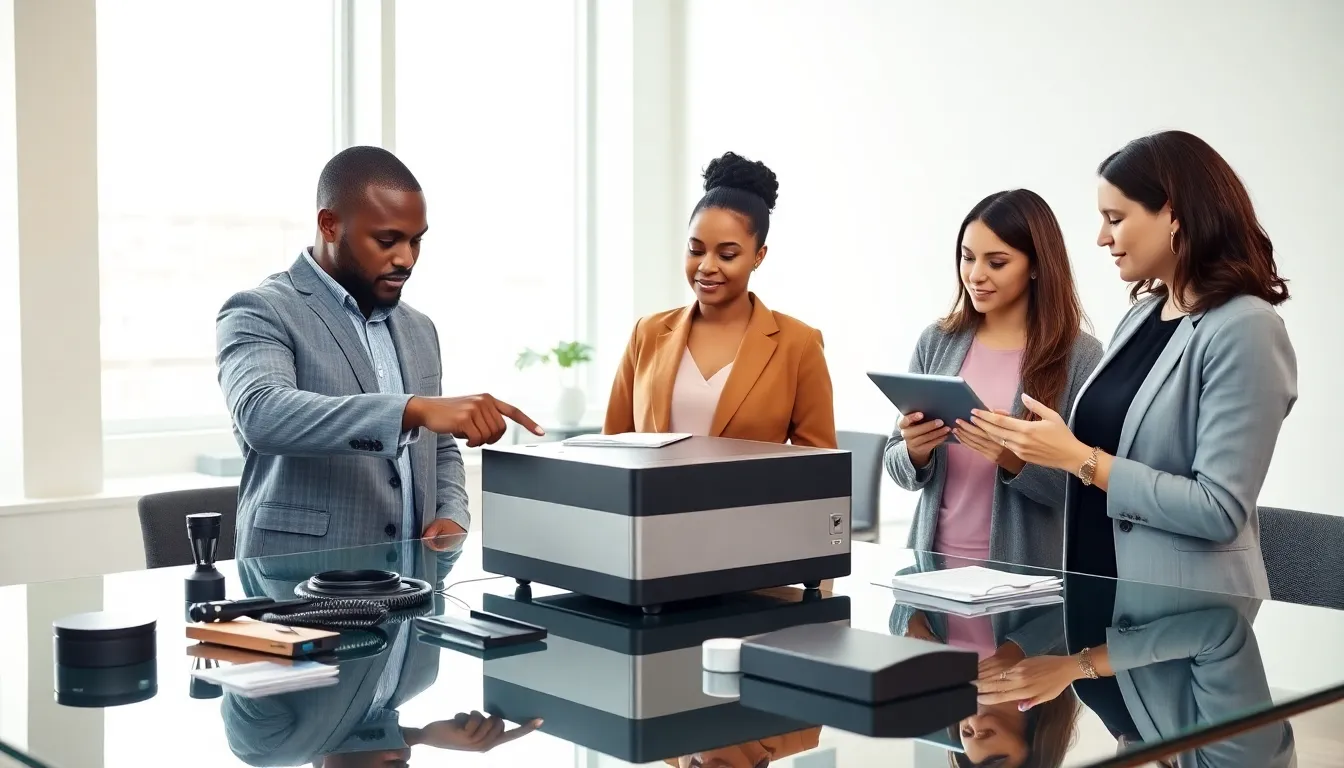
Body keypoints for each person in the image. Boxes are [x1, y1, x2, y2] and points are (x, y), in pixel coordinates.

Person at [970, 131, 1297, 598]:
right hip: (1099, 604)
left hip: (1189, 621)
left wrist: (1076, 457)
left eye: (1115, 218)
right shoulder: (1143, 315)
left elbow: (1217, 510)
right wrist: (1036, 444)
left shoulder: (1246, 328)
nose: (1102, 238)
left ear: (1174, 214)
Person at [217, 146, 543, 559]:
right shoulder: (261, 309)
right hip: (295, 590)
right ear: (330, 225)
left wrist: (453, 512)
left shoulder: (420, 328)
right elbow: (262, 415)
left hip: (411, 587)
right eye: (387, 240)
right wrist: (412, 410)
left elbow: (439, 447)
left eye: (416, 241)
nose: (406, 258)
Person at [884, 189, 1102, 570]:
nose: (976, 275)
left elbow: (1086, 489)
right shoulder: (936, 341)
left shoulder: (1081, 356)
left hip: (1021, 583)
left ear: (1036, 265)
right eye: (967, 258)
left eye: (997, 262)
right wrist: (915, 451)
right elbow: (895, 463)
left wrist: (1011, 457)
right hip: (932, 571)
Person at [603, 152, 836, 448]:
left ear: (758, 256)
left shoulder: (799, 345)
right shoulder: (647, 333)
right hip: (653, 496)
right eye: (695, 250)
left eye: (727, 255)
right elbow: (610, 446)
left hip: (752, 496)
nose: (706, 266)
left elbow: (818, 470)